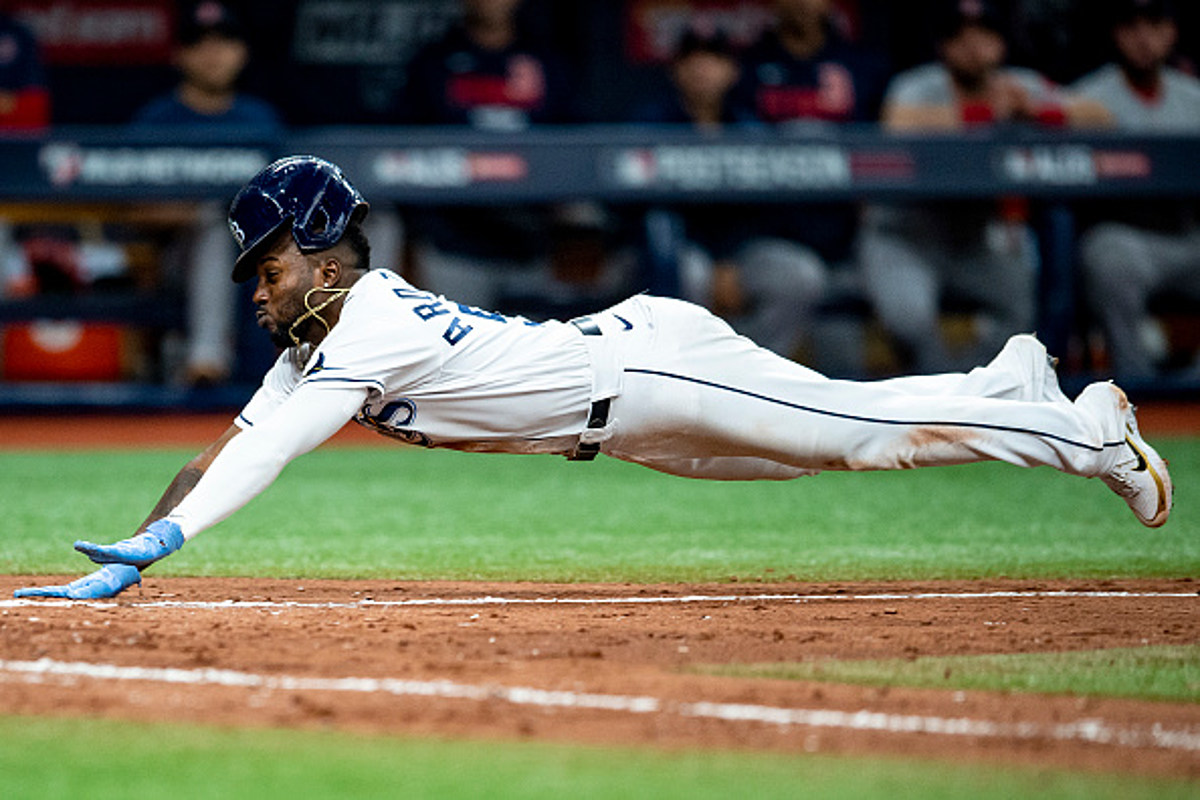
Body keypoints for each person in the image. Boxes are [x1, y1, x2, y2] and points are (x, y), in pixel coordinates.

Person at [15, 155, 1173, 600]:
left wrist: (171, 547)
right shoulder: (317, 343)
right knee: (851, 434)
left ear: (317, 252)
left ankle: (1086, 434)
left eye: (264, 267)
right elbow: (217, 452)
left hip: (653, 368)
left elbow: (268, 454)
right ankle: (1005, 377)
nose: (254, 290)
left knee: (852, 438)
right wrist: (139, 538)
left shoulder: (362, 315)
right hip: (629, 424)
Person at [858, 0, 1109, 375]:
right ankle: (938, 391)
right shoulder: (919, 86)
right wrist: (984, 114)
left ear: (1001, 43)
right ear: (943, 46)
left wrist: (1039, 111)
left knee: (1021, 306)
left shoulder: (1018, 85)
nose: (973, 45)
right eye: (959, 36)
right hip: (906, 237)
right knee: (909, 319)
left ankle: (964, 387)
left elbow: (1102, 119)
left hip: (973, 240)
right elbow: (898, 124)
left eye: (984, 35)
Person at [399, 0, 609, 314]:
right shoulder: (435, 60)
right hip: (455, 244)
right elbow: (402, 148)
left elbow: (577, 147)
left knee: (526, 359)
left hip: (529, 244)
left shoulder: (546, 59)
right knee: (459, 358)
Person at [634, 28, 817, 359]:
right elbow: (650, 211)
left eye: (714, 58)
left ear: (732, 70)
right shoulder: (651, 125)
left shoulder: (750, 128)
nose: (702, 67)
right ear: (675, 69)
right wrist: (716, 259)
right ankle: (689, 373)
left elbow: (767, 209)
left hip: (741, 252)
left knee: (800, 275)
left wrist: (730, 259)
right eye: (691, 57)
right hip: (682, 251)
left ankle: (754, 372)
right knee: (690, 272)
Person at [728, 0, 891, 369]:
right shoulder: (746, 68)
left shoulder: (863, 66)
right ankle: (745, 395)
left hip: (845, 240)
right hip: (772, 234)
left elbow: (888, 159)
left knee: (843, 367)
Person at [131, 1, 283, 385]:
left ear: (242, 52)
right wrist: (199, 212)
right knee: (216, 228)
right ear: (179, 54)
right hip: (178, 257)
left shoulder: (261, 119)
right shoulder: (157, 120)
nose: (213, 54)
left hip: (262, 256)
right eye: (199, 44)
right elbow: (133, 210)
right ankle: (206, 363)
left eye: (225, 42)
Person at [1071, 0, 1200, 380]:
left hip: (1188, 235)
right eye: (1132, 27)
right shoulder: (1087, 97)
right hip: (1128, 236)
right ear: (1117, 35)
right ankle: (1135, 387)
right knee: (1108, 256)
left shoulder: (1194, 96)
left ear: (1171, 33)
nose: (1143, 38)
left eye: (1154, 25)